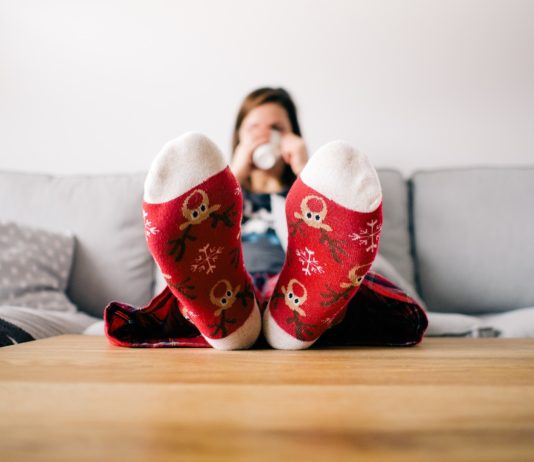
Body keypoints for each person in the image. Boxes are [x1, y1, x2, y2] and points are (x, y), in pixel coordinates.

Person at [104, 87, 428, 351]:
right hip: (225, 282)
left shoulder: (310, 197)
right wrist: (234, 173)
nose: (266, 137)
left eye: (277, 129)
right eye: (254, 129)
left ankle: (285, 321)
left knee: (335, 289)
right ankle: (239, 321)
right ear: (238, 140)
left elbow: (346, 247)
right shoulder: (218, 197)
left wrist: (305, 169)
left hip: (299, 282)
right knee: (199, 290)